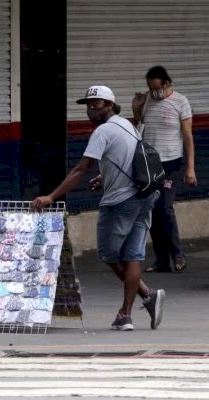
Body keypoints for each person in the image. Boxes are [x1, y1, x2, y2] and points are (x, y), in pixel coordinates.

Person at [32, 85, 165, 331]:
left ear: (111, 105)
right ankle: (130, 310)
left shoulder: (103, 132)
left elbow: (81, 169)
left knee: (109, 254)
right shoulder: (127, 124)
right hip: (144, 195)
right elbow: (130, 158)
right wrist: (104, 178)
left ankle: (142, 298)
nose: (92, 108)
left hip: (120, 202)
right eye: (89, 104)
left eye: (98, 103)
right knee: (133, 254)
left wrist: (51, 196)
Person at [132, 66, 197, 273]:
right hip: (149, 163)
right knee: (151, 208)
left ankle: (177, 255)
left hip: (170, 163)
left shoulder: (181, 102)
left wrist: (190, 168)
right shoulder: (148, 100)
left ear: (167, 84)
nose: (154, 92)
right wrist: (137, 107)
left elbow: (188, 137)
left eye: (157, 88)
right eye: (150, 88)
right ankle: (161, 260)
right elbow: (138, 126)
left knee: (165, 208)